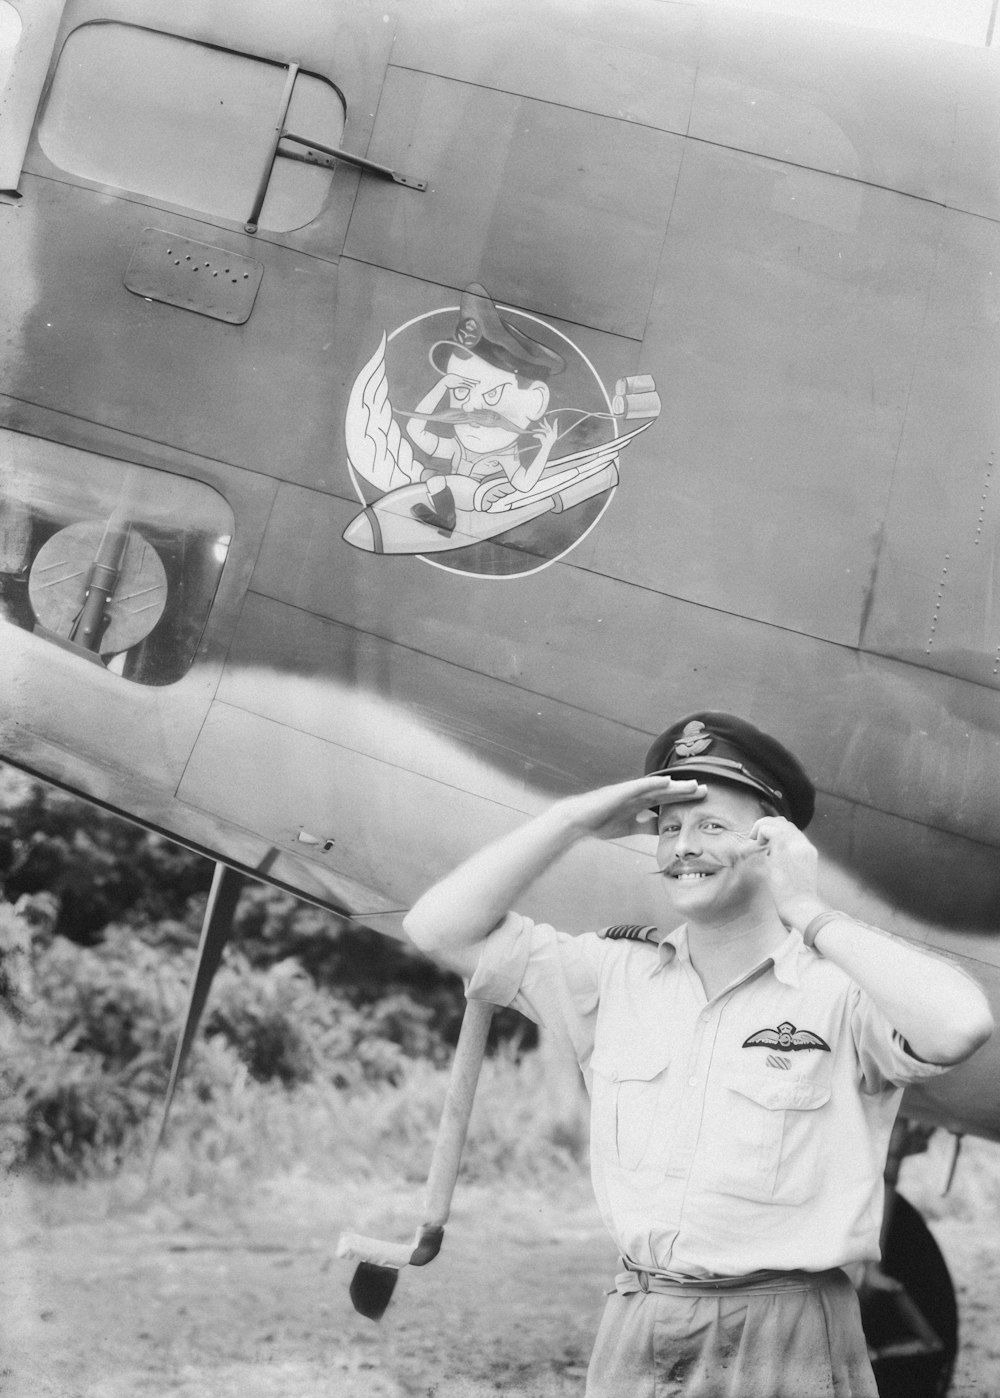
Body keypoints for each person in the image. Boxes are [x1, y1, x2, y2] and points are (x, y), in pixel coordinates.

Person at [403, 711, 994, 1397]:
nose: (684, 847)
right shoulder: (612, 975)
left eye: (712, 826)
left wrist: (807, 909)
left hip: (789, 1329)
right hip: (641, 1319)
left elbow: (959, 1026)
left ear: (772, 841)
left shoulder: (840, 991)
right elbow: (435, 928)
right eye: (669, 827)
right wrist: (568, 821)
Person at [404, 284, 563, 533]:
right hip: (456, 492)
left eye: (492, 394)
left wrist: (546, 447)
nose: (469, 406)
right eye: (461, 391)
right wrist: (442, 385)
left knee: (433, 478)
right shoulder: (459, 446)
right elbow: (414, 429)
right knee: (428, 475)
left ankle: (448, 522)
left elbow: (523, 484)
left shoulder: (503, 455)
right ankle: (445, 518)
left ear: (536, 401)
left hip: (476, 499)